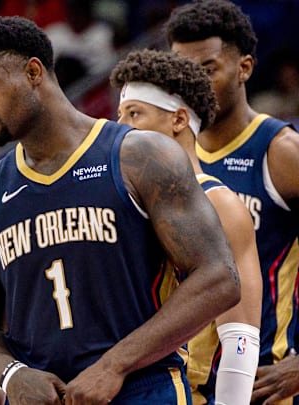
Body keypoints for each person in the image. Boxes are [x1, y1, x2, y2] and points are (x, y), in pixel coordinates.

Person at [0, 16, 241, 404]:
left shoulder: (139, 156)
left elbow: (220, 278)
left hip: (140, 386)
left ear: (34, 72)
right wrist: (11, 375)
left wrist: (115, 365)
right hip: (40, 396)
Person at [110, 48, 263, 405]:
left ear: (178, 120)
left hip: (187, 391)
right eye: (119, 114)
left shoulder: (220, 202)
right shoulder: (124, 199)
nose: (119, 128)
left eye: (134, 113)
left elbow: (239, 337)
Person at [166, 1, 299, 403]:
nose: (191, 86)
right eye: (181, 73)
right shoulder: (163, 159)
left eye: (206, 70)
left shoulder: (281, 152)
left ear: (244, 68)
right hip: (184, 386)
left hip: (261, 382)